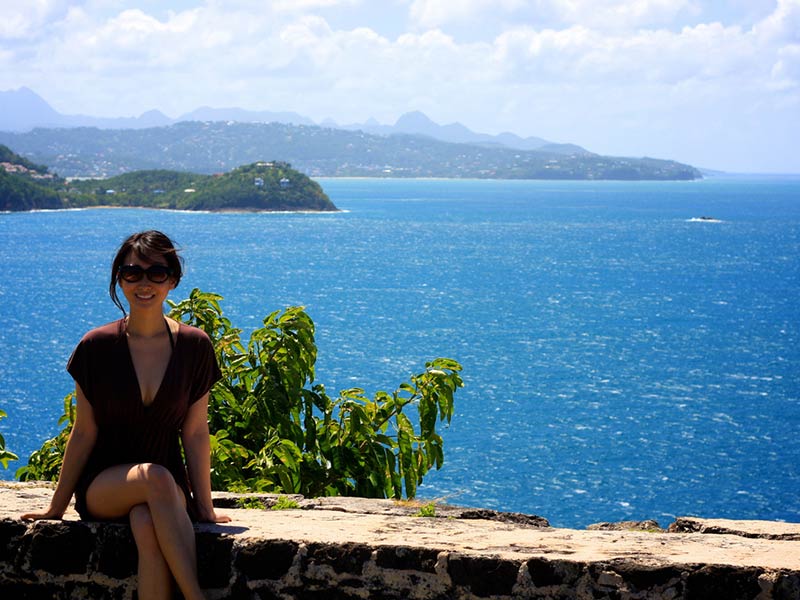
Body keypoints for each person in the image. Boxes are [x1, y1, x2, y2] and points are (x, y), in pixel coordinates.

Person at [22, 230, 230, 600]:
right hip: (104, 486)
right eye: (133, 273)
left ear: (173, 280)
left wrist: (205, 507)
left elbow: (196, 433)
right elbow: (84, 432)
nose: (144, 283)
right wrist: (56, 506)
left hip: (166, 491)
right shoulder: (97, 347)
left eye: (157, 273)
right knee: (156, 478)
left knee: (147, 524)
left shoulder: (195, 347)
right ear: (120, 278)